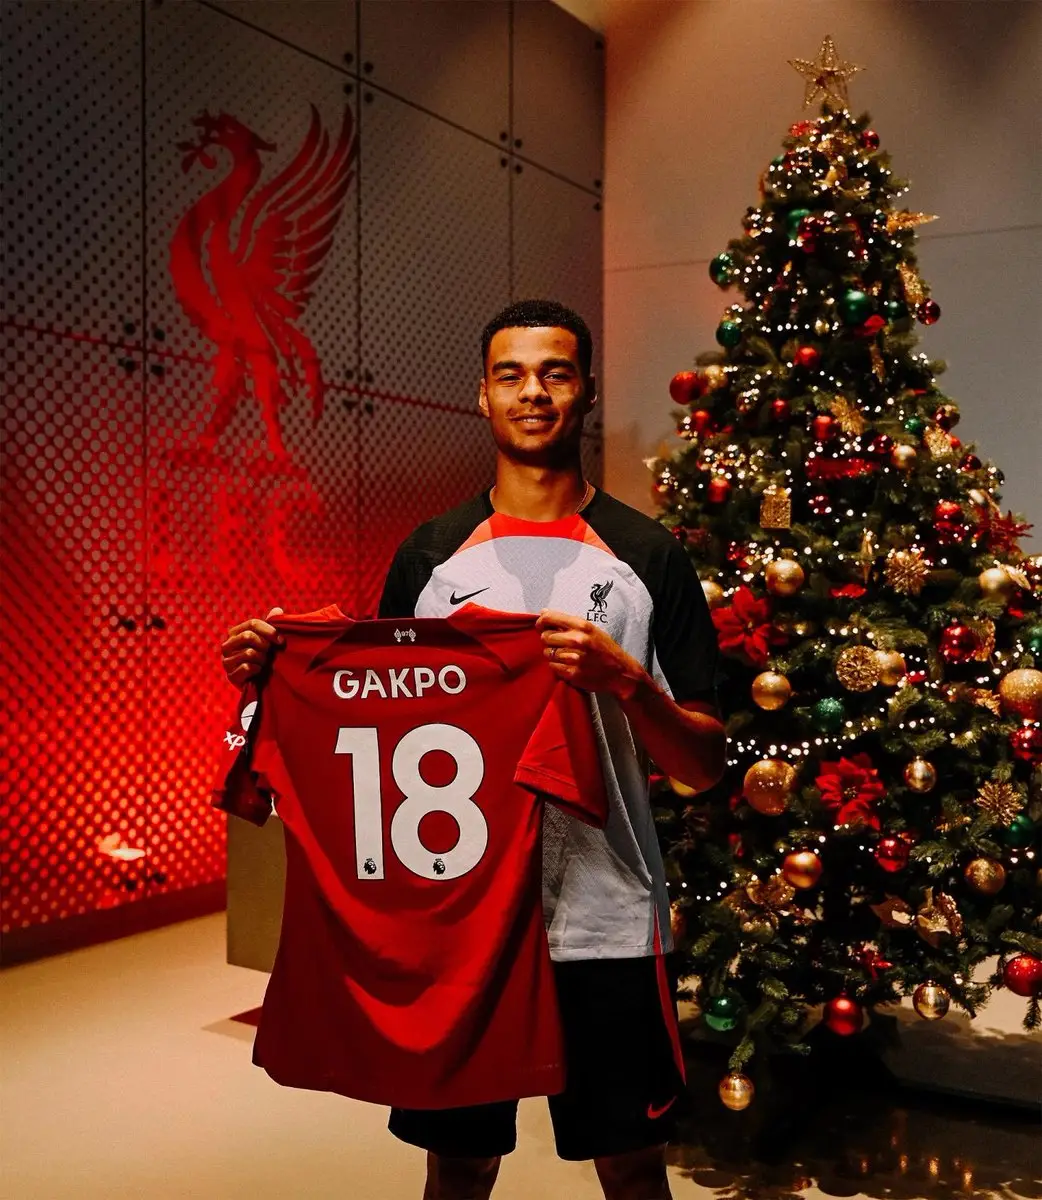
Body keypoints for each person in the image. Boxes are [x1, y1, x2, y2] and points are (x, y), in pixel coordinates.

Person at [221, 299, 726, 1200]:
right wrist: (272, 667)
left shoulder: (649, 557)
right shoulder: (430, 558)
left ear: (587, 392)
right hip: (461, 928)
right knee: (458, 1164)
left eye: (556, 372)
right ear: (482, 399)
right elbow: (372, 721)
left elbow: (703, 765)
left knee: (631, 1162)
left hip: (605, 920)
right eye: (512, 374)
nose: (534, 392)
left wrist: (626, 683)